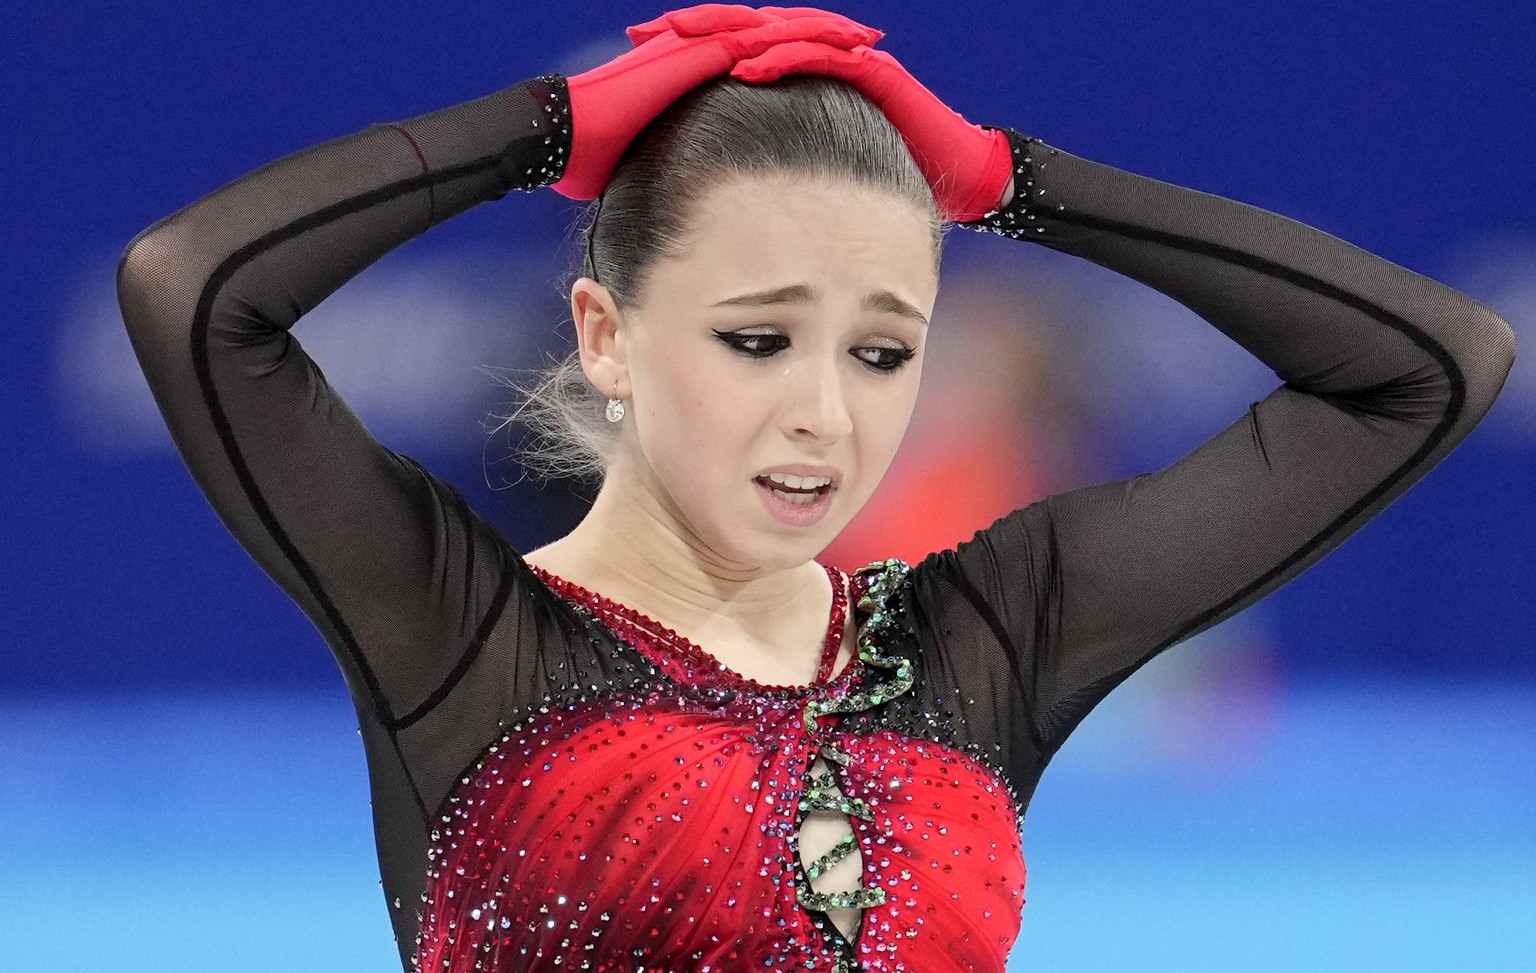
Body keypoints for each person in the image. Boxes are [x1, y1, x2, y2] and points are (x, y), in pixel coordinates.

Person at [115, 5, 1515, 971]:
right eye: (756, 339)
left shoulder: (980, 644)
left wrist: (1007, 180)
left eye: (885, 349)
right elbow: (193, 291)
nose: (826, 416)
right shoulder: (468, 638)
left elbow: (1433, 367)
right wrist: (551, 129)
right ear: (607, 333)